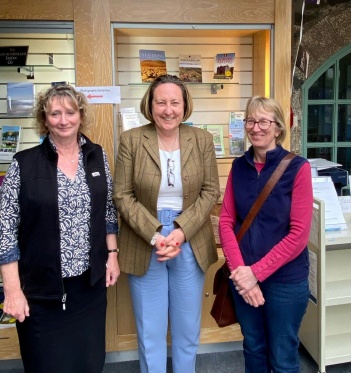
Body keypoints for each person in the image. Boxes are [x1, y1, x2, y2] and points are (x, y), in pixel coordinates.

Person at [0, 84, 120, 373]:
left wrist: (112, 254)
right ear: (44, 118)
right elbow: (5, 231)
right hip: (42, 291)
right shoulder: (23, 164)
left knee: (89, 363)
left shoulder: (97, 155)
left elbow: (107, 211)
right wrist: (12, 291)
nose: (63, 120)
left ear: (81, 115)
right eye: (55, 113)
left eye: (70, 112)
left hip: (89, 288)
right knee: (47, 365)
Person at [113, 74, 220, 373]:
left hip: (190, 237)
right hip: (145, 238)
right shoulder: (131, 140)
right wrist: (156, 234)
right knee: (150, 333)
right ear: (150, 104)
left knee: (187, 330)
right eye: (161, 102)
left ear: (185, 106)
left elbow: (211, 191)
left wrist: (182, 232)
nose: (168, 109)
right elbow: (122, 195)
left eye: (175, 102)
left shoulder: (202, 139)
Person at [219, 96, 313, 373]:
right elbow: (226, 221)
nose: (256, 127)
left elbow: (298, 234)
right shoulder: (238, 167)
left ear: (278, 128)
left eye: (263, 121)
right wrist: (241, 273)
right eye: (250, 120)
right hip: (244, 277)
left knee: (283, 357)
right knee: (253, 347)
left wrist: (255, 273)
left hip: (285, 281)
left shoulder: (298, 168)